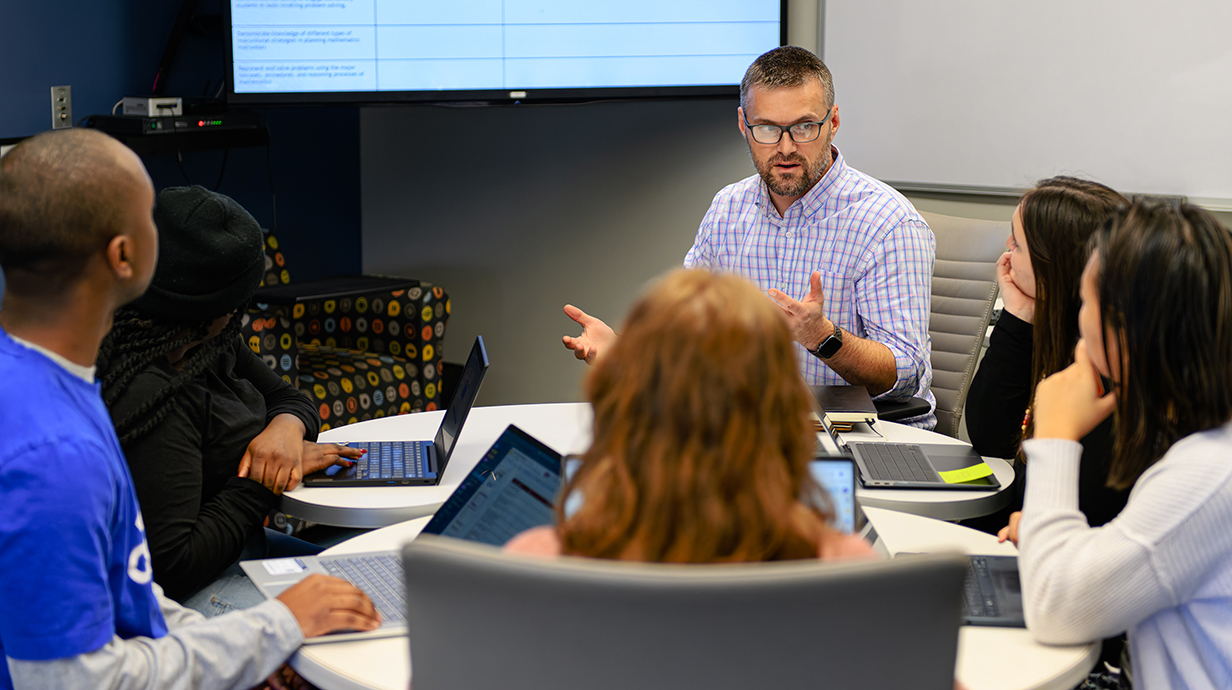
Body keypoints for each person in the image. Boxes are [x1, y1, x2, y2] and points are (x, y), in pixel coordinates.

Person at [0, 129, 378, 690]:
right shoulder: (58, 455)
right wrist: (278, 625)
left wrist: (249, 638)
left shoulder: (49, 381)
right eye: (150, 215)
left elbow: (131, 591)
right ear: (125, 256)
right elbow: (78, 682)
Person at [563, 46, 936, 427]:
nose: (786, 147)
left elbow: (904, 377)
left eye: (804, 127)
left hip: (863, 438)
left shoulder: (888, 224)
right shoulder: (728, 209)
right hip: (751, 433)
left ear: (833, 121)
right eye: (768, 129)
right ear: (744, 124)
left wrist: (821, 336)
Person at [95, 185, 362, 613]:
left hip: (241, 552)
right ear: (225, 305)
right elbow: (173, 568)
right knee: (370, 614)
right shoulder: (149, 393)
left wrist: (284, 433)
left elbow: (287, 397)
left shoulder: (203, 340)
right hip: (188, 595)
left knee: (382, 581)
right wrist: (263, 478)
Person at [510, 269, 872, 562]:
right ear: (786, 412)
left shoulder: (538, 558)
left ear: (620, 405)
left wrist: (628, 364)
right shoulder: (844, 563)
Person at [1019, 199, 1232, 689]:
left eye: (1085, 301)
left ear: (1120, 328)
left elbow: (1054, 607)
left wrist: (1053, 436)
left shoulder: (1206, 474)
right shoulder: (1202, 440)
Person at [964, 177, 1130, 540]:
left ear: (1054, 267)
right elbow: (990, 436)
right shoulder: (1061, 338)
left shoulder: (1101, 373)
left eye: (1018, 243)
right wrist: (1019, 316)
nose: (1007, 248)